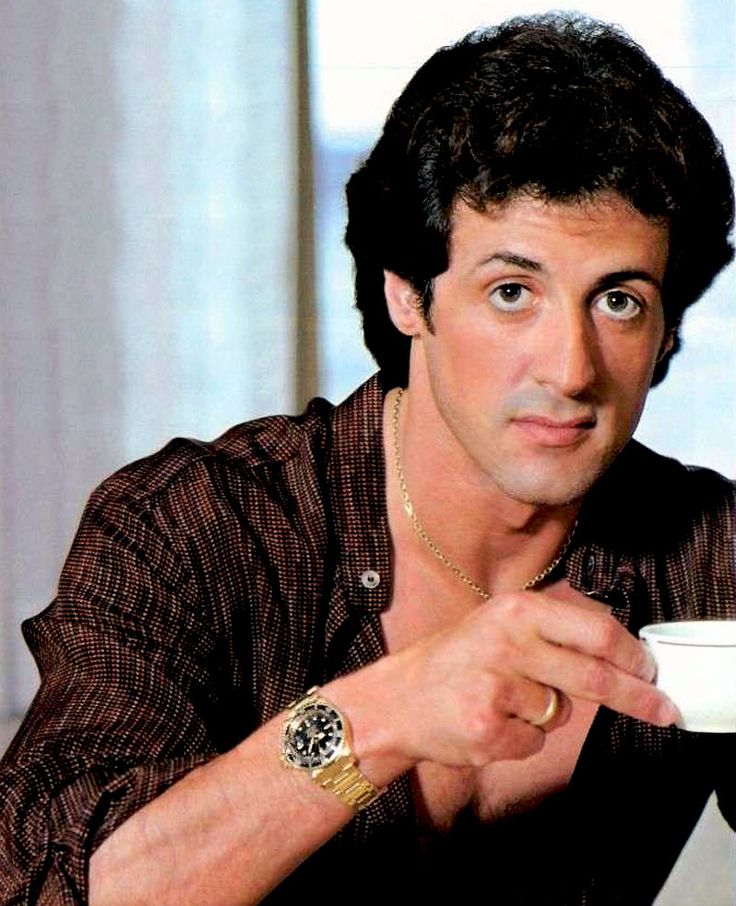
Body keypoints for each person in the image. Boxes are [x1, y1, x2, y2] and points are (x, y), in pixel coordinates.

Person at [1, 12, 734, 905]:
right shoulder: (193, 530)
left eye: (618, 301)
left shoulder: (710, 554)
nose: (573, 369)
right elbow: (68, 890)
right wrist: (381, 715)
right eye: (512, 293)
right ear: (406, 295)